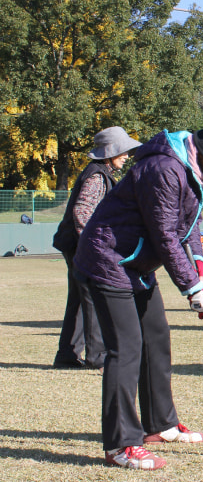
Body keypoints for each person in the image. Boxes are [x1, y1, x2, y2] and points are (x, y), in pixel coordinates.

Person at [74, 111, 203, 470]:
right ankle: (120, 445)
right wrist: (192, 288)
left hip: (137, 264)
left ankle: (160, 424)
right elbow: (163, 233)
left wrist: (199, 263)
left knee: (156, 337)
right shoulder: (164, 168)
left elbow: (189, 222)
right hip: (108, 259)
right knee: (126, 348)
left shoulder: (196, 168)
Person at [52, 127, 141, 370]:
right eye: (123, 151)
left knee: (79, 300)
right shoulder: (97, 176)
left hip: (74, 244)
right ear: (109, 153)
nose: (127, 155)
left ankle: (67, 356)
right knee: (90, 298)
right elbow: (82, 212)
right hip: (81, 246)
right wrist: (91, 245)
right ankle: (96, 356)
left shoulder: (99, 172)